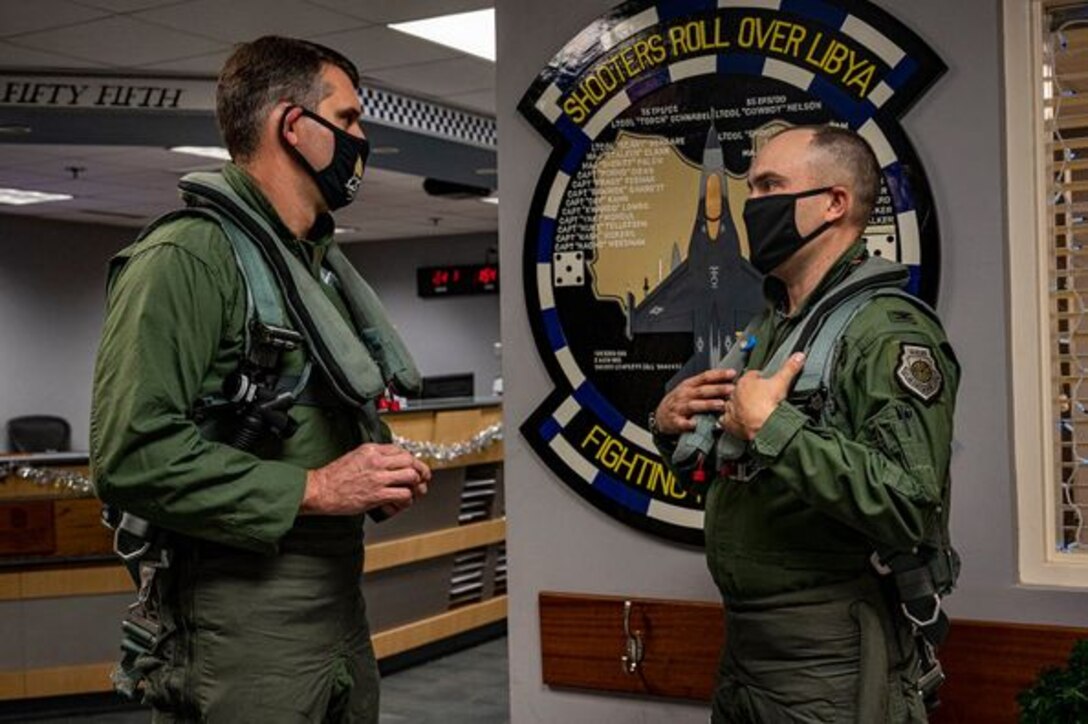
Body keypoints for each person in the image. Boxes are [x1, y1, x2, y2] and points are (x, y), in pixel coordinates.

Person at [90, 36, 430, 724]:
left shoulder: (312, 269)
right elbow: (131, 455)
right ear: (292, 126)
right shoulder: (186, 258)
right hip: (241, 619)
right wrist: (318, 487)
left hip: (336, 607)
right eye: (350, 118)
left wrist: (376, 468)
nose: (362, 139)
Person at [651, 125, 959, 723]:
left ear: (835, 203)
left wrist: (773, 424)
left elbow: (907, 501)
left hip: (831, 654)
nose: (752, 204)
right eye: (750, 187)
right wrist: (674, 425)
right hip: (748, 646)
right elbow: (746, 464)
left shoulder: (886, 333)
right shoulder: (774, 326)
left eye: (770, 185)